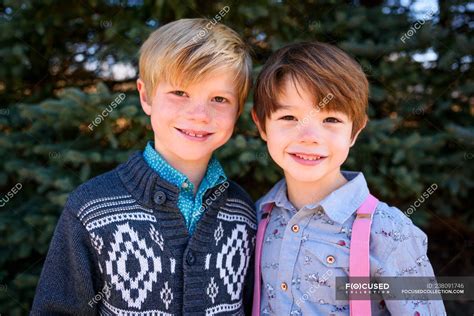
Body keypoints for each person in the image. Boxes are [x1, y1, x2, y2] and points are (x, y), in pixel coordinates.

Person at [31, 18, 256, 315]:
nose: (199, 114)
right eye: (180, 93)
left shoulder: (243, 213)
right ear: (146, 96)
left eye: (219, 99)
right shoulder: (92, 207)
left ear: (238, 110)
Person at [251, 41, 446, 315]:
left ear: (355, 131)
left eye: (330, 120)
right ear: (261, 124)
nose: (309, 137)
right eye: (289, 117)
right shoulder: (259, 218)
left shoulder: (390, 233)